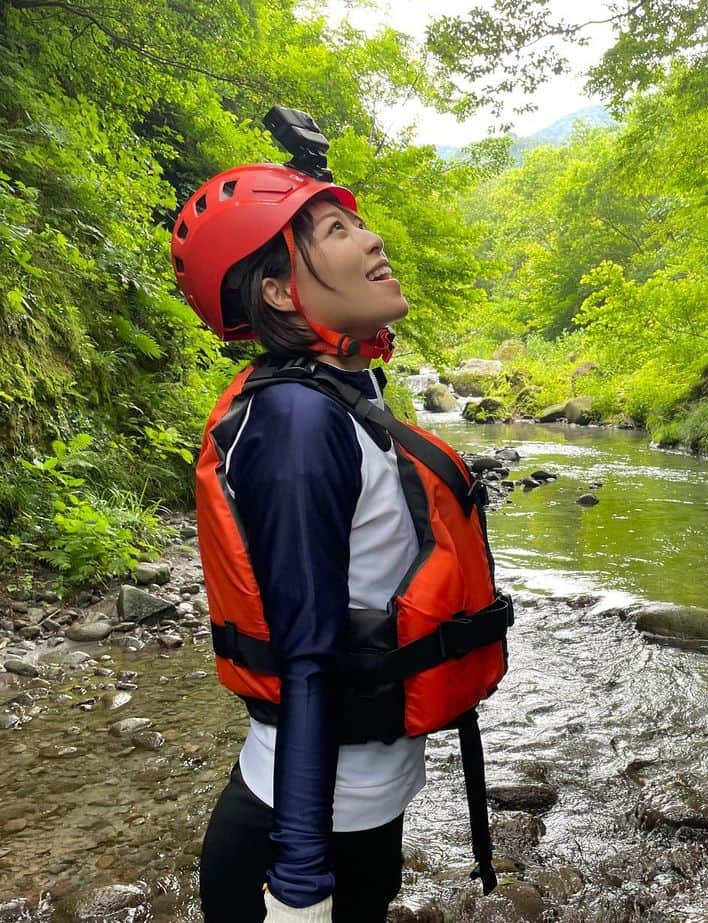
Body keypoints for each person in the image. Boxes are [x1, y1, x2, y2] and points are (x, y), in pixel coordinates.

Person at [171, 156, 510, 922]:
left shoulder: (343, 395)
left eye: (358, 222)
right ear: (280, 289)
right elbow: (308, 656)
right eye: (337, 228)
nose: (373, 238)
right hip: (305, 831)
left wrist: (312, 184)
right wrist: (297, 878)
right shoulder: (297, 423)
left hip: (358, 810)